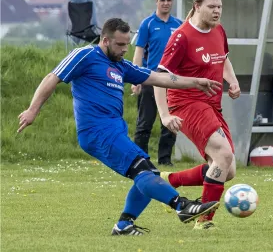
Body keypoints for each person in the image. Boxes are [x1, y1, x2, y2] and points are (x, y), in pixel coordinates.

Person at [17, 18, 221, 235]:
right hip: (97, 132)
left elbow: (159, 78)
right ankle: (182, 206)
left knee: (146, 172)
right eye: (120, 45)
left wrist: (194, 81)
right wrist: (33, 110)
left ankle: (124, 225)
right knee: (144, 171)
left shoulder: (121, 65)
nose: (125, 49)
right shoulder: (85, 55)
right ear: (105, 40)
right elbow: (52, 77)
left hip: (114, 131)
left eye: (127, 44)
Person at [154, 0, 241, 231]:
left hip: (212, 105)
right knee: (223, 155)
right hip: (186, 102)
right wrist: (164, 114)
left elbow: (222, 59)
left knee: (228, 169)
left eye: (220, 7)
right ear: (197, 6)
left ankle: (170, 180)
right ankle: (203, 222)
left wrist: (232, 81)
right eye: (211, 7)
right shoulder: (181, 37)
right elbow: (159, 78)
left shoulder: (219, 30)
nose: (217, 12)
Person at [131, 0, 183, 166]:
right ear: (156, 2)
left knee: (170, 123)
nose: (166, 3)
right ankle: (140, 159)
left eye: (169, 0)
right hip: (150, 78)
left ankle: (165, 160)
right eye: (162, 0)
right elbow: (139, 51)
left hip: (172, 80)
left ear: (172, 2)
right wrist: (135, 77)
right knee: (145, 122)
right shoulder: (147, 24)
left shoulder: (179, 24)